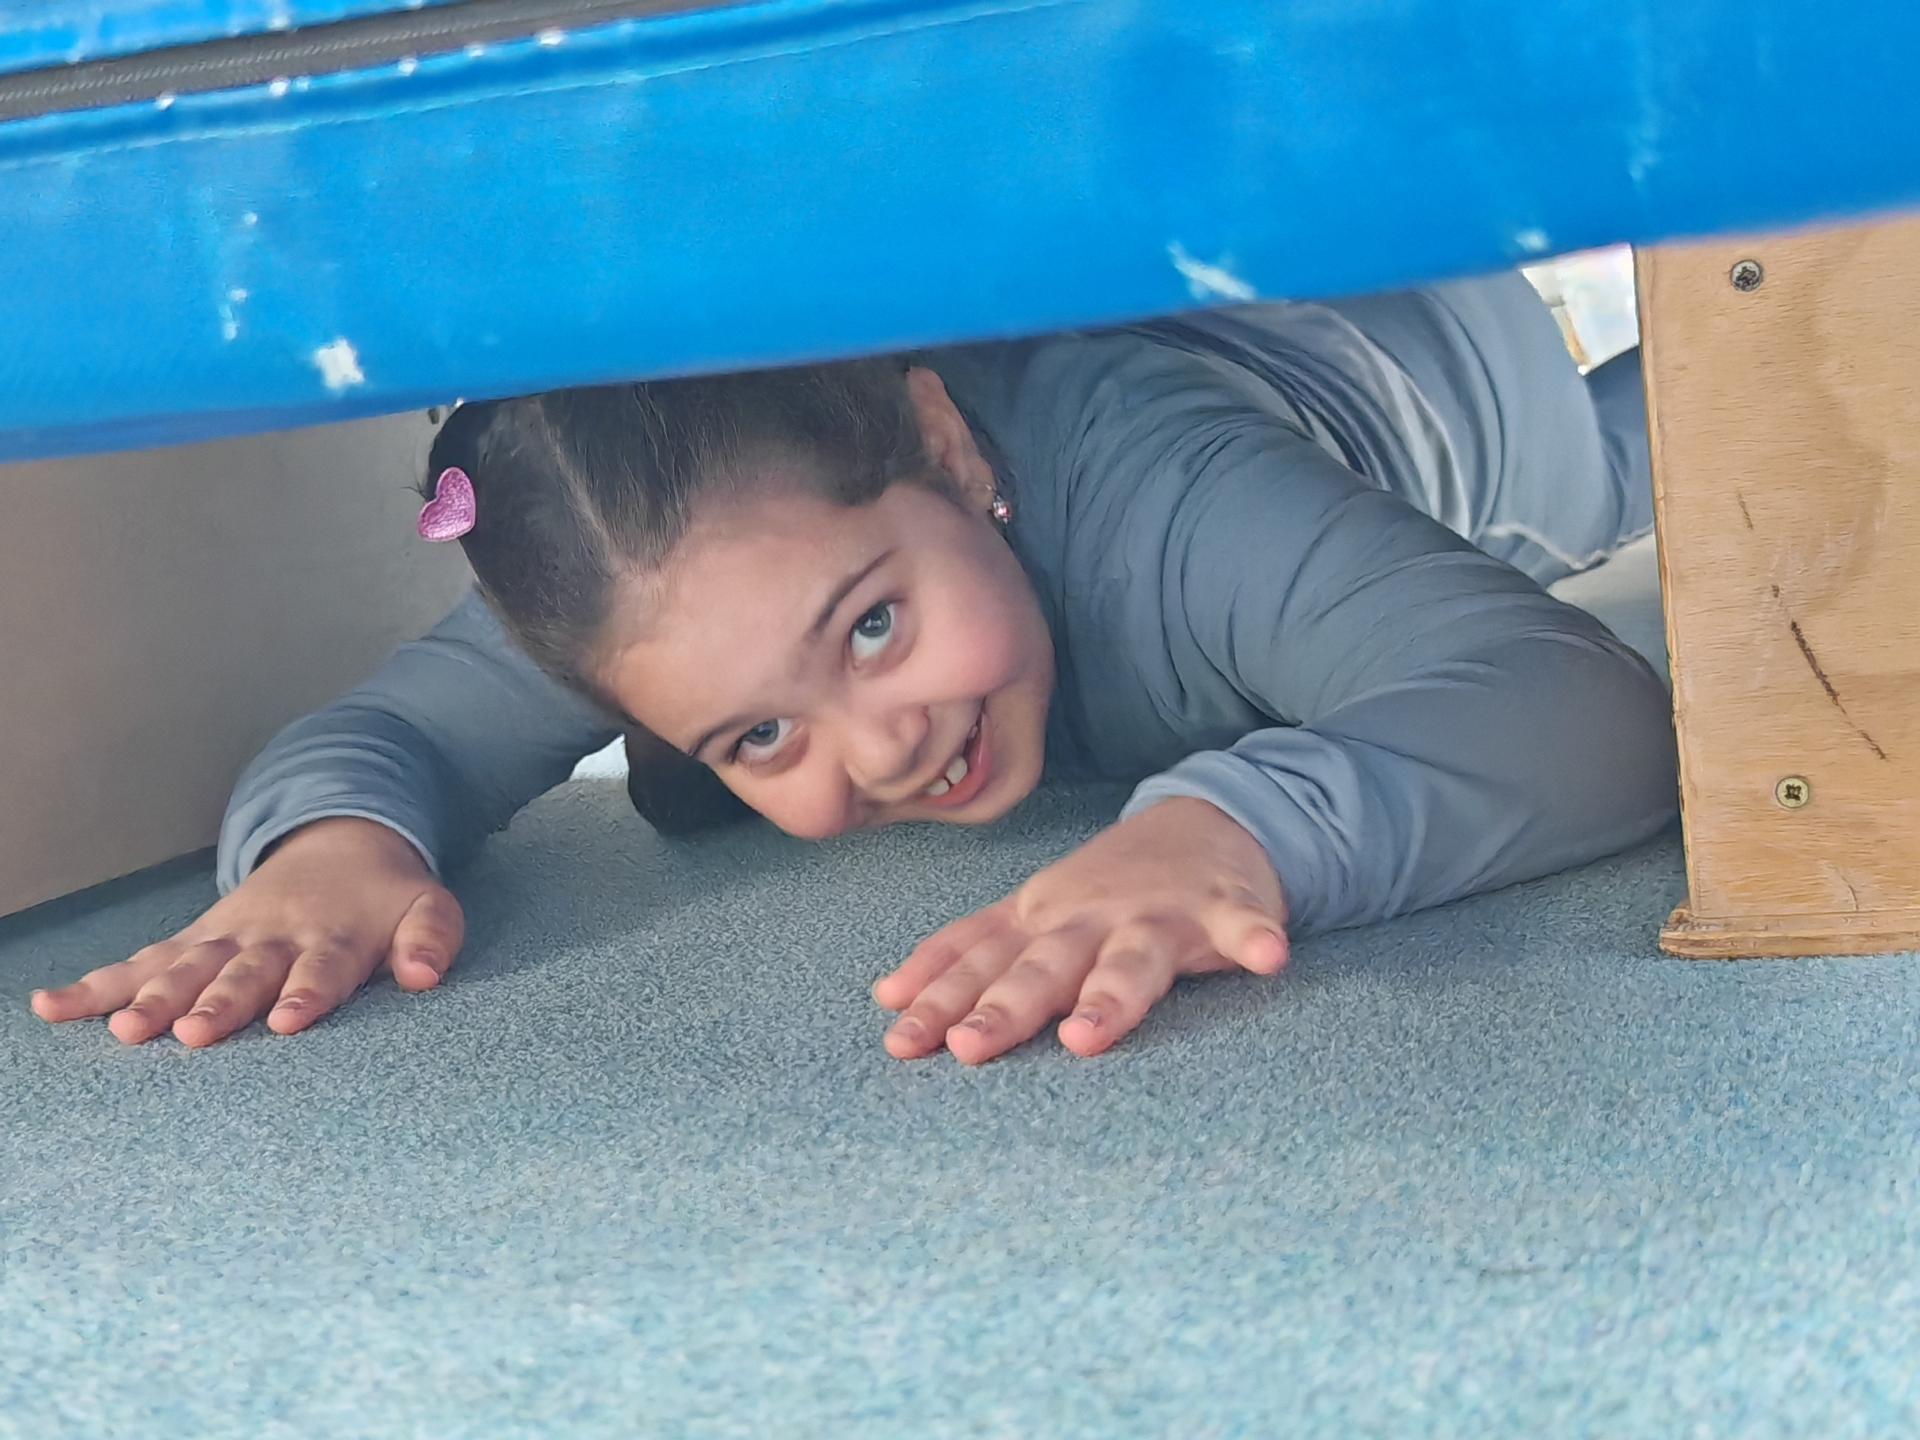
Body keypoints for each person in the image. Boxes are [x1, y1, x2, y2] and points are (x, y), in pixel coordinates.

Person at [30, 271, 1677, 1064]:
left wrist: (1232, 833)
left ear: (947, 451)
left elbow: (1584, 712)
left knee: (1665, 457)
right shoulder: (663, 585)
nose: (880, 748)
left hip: (1422, 354)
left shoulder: (1172, 507)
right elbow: (398, 731)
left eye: (873, 626)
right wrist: (332, 852)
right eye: (758, 734)